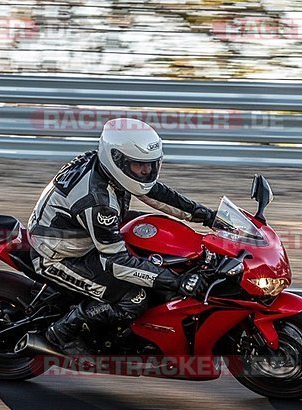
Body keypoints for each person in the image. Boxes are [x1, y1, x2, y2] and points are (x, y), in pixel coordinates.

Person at [27, 117, 216, 356]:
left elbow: (154, 192)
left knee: (156, 231)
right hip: (58, 256)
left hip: (84, 233)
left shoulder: (105, 167)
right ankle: (62, 332)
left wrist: (207, 216)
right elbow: (116, 263)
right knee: (134, 297)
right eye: (139, 165)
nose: (147, 171)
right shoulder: (99, 203)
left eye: (151, 164)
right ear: (116, 159)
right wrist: (174, 281)